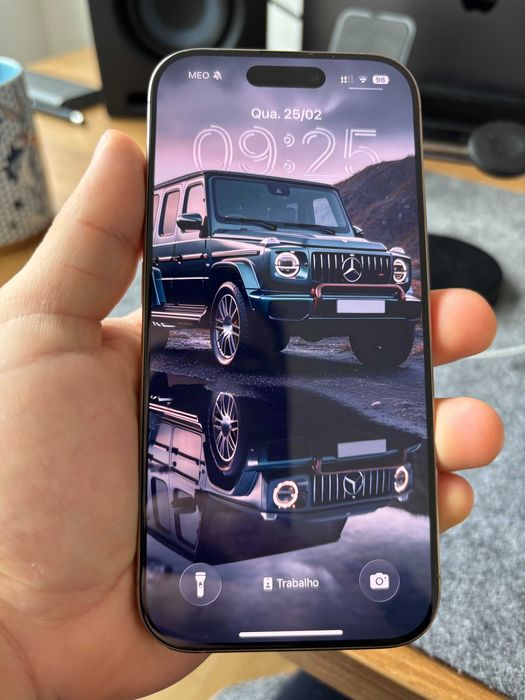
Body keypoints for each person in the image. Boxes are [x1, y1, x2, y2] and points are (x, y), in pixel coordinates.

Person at [0, 131, 504, 700]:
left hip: (325, 281)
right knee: (252, 301)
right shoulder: (214, 232)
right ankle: (240, 344)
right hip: (236, 272)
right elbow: (248, 271)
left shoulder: (346, 244)